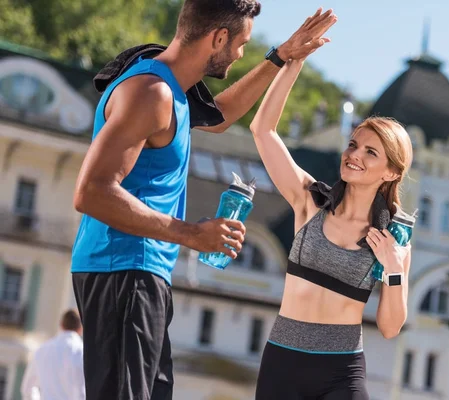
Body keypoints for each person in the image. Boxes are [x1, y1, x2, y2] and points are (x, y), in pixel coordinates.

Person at [69, 0, 337, 399]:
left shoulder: (171, 89)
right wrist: (192, 234)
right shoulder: (151, 92)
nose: (242, 53)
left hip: (143, 274)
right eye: (242, 44)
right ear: (219, 37)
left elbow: (221, 115)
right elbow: (91, 192)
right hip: (123, 268)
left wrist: (281, 56)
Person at [249, 35, 413, 399]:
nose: (354, 155)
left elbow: (389, 328)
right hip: (283, 363)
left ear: (390, 172)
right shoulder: (310, 202)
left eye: (371, 152)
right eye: (353, 144)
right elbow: (263, 131)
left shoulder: (392, 240)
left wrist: (394, 269)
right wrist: (294, 63)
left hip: (342, 371)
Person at [20, 309, 85, 400]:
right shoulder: (81, 352)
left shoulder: (42, 350)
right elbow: (83, 391)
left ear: (61, 325)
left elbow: (27, 388)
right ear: (80, 328)